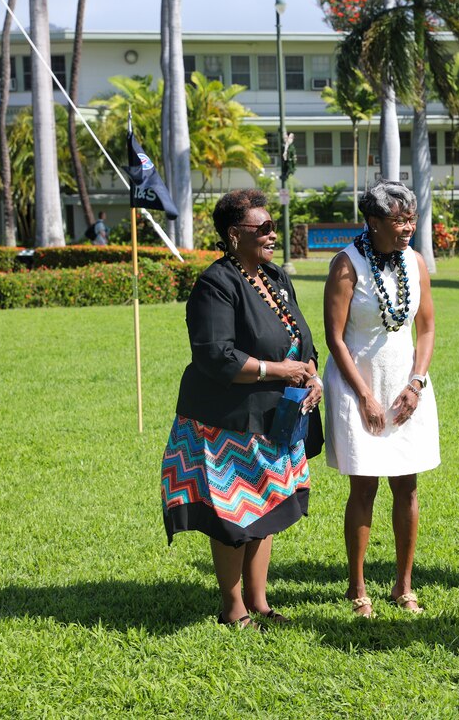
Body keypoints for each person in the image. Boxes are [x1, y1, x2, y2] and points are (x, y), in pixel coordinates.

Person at [160, 188, 321, 631]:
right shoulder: (216, 284)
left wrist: (312, 375)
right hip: (226, 422)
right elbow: (214, 355)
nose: (273, 234)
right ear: (234, 235)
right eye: (263, 228)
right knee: (233, 517)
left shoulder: (274, 278)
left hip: (275, 419)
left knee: (265, 508)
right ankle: (233, 608)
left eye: (274, 226)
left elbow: (301, 341)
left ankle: (260, 602)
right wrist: (276, 369)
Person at [323, 180, 438, 618]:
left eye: (411, 219)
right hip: (359, 386)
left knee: (407, 487)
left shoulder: (415, 261)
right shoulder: (346, 265)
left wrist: (416, 383)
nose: (408, 227)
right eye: (398, 220)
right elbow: (335, 338)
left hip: (406, 386)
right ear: (373, 222)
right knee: (364, 486)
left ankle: (403, 585)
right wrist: (366, 396)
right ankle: (357, 587)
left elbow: (425, 328)